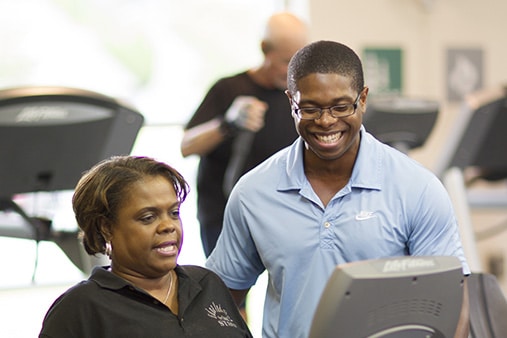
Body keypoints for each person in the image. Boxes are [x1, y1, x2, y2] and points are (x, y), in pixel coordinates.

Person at [206, 40, 471, 338]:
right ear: (291, 101)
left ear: (364, 99)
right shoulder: (254, 192)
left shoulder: (416, 188)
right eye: (309, 108)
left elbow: (452, 299)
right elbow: (219, 299)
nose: (326, 121)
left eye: (341, 106)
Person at [39, 156, 253, 338]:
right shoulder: (80, 308)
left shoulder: (207, 284)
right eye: (148, 217)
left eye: (174, 213)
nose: (168, 226)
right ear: (106, 227)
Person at [180, 12, 309, 257]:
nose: (292, 71)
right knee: (227, 292)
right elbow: (186, 146)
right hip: (224, 213)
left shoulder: (299, 97)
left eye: (299, 62)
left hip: (281, 213)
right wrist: (227, 123)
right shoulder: (228, 89)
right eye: (285, 61)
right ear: (264, 49)